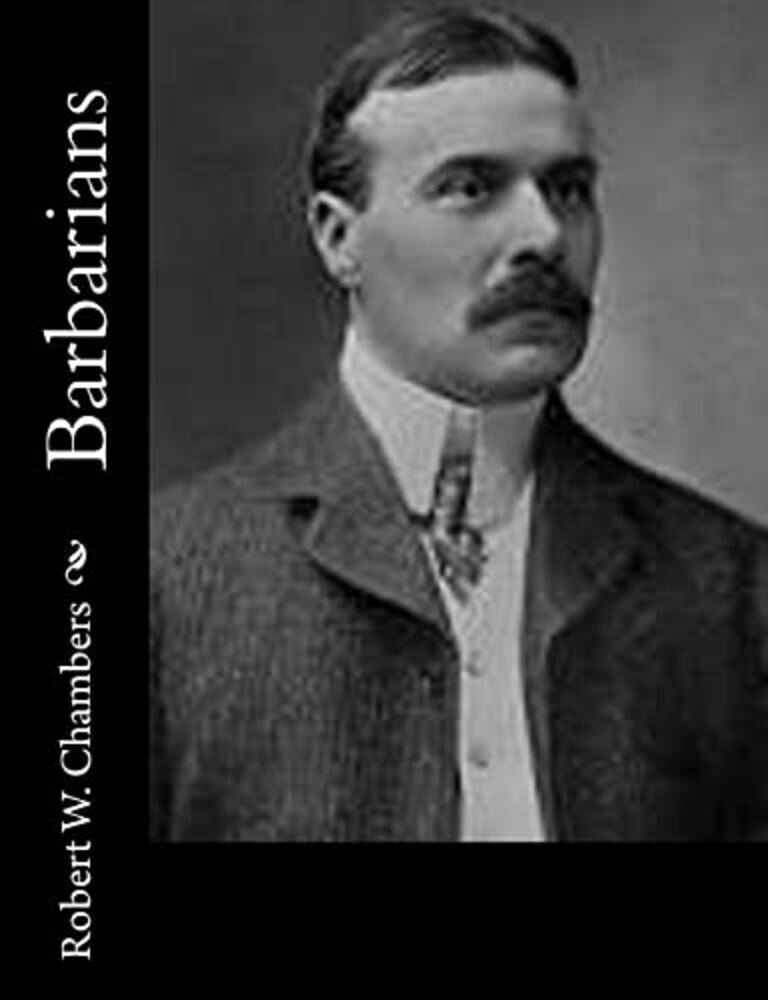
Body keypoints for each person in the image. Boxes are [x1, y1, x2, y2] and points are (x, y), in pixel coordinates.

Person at [150, 5, 768, 841]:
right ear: (338, 238)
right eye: (470, 188)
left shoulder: (731, 587)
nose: (543, 235)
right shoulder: (166, 582)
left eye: (568, 190)